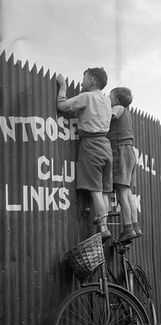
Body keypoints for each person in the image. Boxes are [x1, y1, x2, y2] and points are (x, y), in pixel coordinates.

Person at [56, 68, 112, 241]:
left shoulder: (87, 97)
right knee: (104, 191)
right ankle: (105, 224)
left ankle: (103, 228)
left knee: (95, 190)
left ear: (92, 81)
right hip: (106, 145)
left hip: (91, 144)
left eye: (84, 79)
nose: (81, 82)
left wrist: (63, 85)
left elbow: (62, 106)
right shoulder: (107, 100)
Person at [107, 87, 143, 243]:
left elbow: (107, 116)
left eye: (109, 97)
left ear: (115, 100)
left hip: (120, 150)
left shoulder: (118, 108)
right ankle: (135, 227)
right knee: (128, 192)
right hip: (129, 151)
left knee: (122, 192)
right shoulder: (127, 112)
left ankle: (128, 229)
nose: (107, 99)